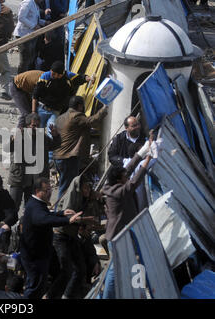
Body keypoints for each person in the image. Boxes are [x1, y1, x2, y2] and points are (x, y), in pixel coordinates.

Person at [101, 140, 153, 298]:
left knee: (119, 266)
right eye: (124, 176)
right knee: (113, 270)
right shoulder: (118, 192)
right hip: (118, 237)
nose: (126, 175)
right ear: (119, 179)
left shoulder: (113, 186)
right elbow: (135, 181)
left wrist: (144, 149)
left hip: (122, 234)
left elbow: (129, 168)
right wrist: (148, 160)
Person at [20, 177, 83, 299]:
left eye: (50, 190)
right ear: (38, 191)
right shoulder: (35, 207)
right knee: (34, 288)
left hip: (40, 254)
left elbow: (46, 215)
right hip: (34, 257)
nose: (50, 193)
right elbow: (44, 219)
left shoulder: (38, 204)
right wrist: (67, 220)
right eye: (47, 190)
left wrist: (61, 213)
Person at [48, 175, 103, 299]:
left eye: (89, 188)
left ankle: (67, 295)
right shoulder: (72, 199)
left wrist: (95, 260)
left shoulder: (85, 201)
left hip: (72, 237)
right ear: (79, 188)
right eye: (85, 188)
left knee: (80, 268)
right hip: (60, 236)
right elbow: (69, 218)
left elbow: (87, 240)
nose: (87, 191)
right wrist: (84, 220)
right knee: (67, 269)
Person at [53, 96, 108, 202]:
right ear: (79, 106)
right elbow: (92, 121)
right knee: (66, 188)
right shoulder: (76, 116)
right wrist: (104, 109)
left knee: (67, 185)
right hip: (68, 157)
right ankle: (59, 211)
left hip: (58, 156)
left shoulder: (60, 118)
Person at [8, 113, 61, 213]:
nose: (36, 128)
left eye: (38, 125)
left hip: (34, 180)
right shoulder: (19, 136)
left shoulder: (43, 137)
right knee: (13, 206)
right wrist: (13, 139)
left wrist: (56, 136)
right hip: (19, 177)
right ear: (27, 126)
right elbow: (8, 148)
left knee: (31, 208)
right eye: (33, 126)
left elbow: (54, 146)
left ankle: (25, 226)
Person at [32, 61, 92, 129]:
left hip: (55, 112)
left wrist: (89, 78)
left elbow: (80, 78)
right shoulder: (45, 76)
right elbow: (35, 95)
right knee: (38, 131)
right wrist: (34, 112)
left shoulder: (68, 77)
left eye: (57, 75)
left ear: (62, 74)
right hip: (42, 109)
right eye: (53, 73)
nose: (54, 76)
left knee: (52, 130)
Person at [13, 0, 49, 73]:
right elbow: (21, 17)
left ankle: (26, 77)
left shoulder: (36, 5)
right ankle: (19, 79)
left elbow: (35, 20)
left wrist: (44, 22)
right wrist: (33, 26)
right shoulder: (28, 2)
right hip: (23, 35)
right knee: (25, 60)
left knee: (31, 58)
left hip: (31, 35)